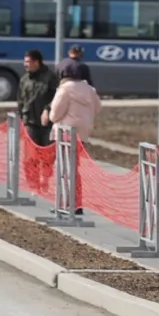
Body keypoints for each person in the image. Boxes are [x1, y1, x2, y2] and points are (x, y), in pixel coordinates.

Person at [45, 62, 101, 215]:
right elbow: (97, 108)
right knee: (75, 168)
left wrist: (51, 116)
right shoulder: (90, 89)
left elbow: (54, 114)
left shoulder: (64, 90)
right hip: (82, 133)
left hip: (64, 133)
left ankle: (63, 203)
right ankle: (77, 203)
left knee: (63, 168)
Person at [18, 50, 60, 148]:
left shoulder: (50, 77)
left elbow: (57, 97)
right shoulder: (24, 80)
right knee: (30, 152)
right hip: (29, 122)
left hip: (48, 124)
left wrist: (47, 109)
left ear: (36, 62)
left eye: (28, 62)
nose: (25, 65)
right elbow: (20, 101)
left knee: (47, 154)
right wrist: (21, 119)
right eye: (25, 62)